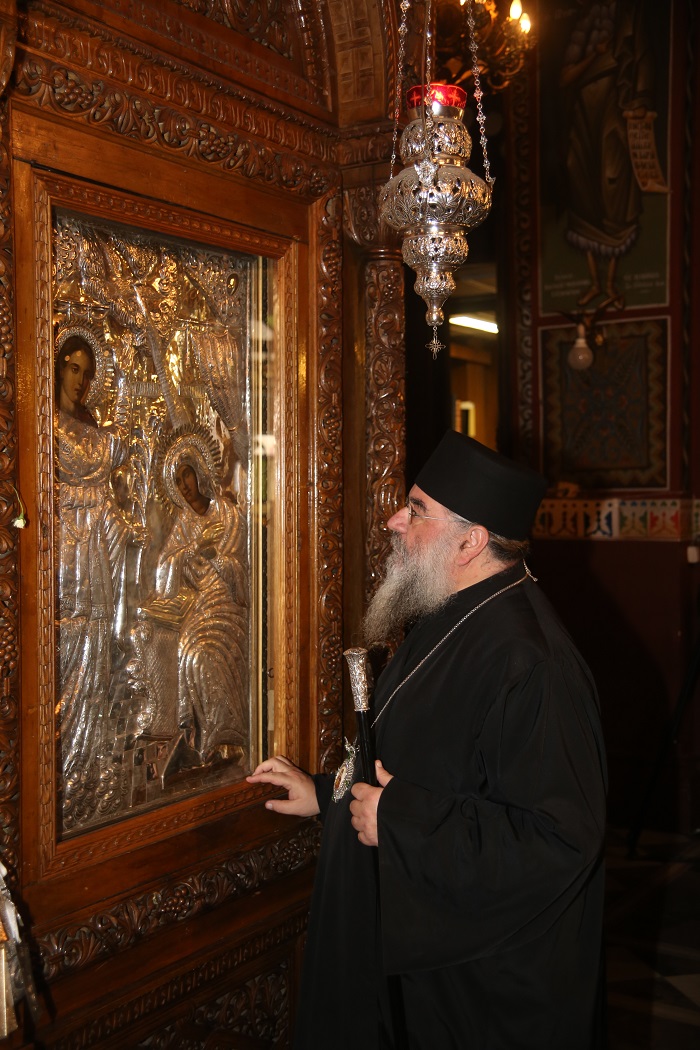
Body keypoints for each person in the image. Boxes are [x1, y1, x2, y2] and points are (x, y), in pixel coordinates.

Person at [248, 430, 608, 1050]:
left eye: (416, 510)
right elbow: (421, 762)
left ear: (471, 542)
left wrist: (402, 821)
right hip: (419, 975)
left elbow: (560, 841)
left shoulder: (534, 665)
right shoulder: (452, 612)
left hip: (478, 996)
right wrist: (328, 794)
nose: (394, 521)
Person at [56, 333, 129, 789]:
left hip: (94, 549)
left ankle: (89, 754)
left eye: (87, 373)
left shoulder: (90, 428)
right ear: (59, 368)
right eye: (74, 369)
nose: (81, 381)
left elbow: (109, 469)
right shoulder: (51, 427)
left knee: (96, 639)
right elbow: (98, 455)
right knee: (68, 639)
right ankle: (61, 758)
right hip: (65, 552)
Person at [154, 446, 249, 762]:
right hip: (198, 606)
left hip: (227, 605)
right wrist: (190, 551)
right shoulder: (183, 523)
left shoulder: (228, 514)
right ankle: (201, 736)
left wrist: (214, 557)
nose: (184, 485)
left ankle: (227, 736)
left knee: (204, 656)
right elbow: (164, 568)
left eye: (187, 475)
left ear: (199, 472)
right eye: (177, 481)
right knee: (188, 652)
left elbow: (243, 570)